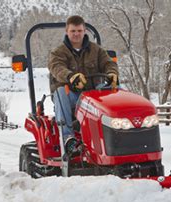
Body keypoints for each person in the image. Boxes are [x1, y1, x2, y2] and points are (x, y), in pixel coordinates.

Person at [48, 15, 119, 155]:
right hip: (71, 96)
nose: (76, 34)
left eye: (79, 31)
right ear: (67, 31)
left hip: (93, 95)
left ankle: (119, 131)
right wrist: (71, 77)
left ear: (84, 31)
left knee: (117, 90)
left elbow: (108, 63)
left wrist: (112, 73)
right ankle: (68, 138)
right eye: (73, 31)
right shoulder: (58, 52)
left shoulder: (96, 50)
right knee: (61, 91)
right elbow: (56, 67)